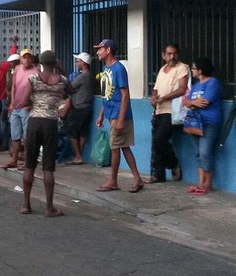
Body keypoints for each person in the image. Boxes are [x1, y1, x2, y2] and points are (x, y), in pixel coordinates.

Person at [19, 50, 70, 217]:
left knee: (29, 165)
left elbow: (24, 101)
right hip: (50, 123)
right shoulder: (62, 80)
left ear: (40, 62)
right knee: (48, 168)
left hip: (34, 122)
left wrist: (36, 101)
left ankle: (26, 204)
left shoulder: (33, 79)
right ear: (55, 63)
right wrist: (61, 70)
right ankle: (49, 208)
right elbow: (72, 90)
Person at [94, 39, 145, 193]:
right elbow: (107, 94)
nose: (98, 52)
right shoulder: (105, 69)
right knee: (123, 147)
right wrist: (102, 114)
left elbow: (124, 95)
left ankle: (113, 181)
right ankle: (137, 178)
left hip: (119, 114)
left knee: (115, 147)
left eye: (100, 49)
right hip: (112, 113)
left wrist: (121, 119)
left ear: (108, 50)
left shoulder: (118, 69)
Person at [147, 44, 189, 183]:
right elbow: (156, 89)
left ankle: (173, 163)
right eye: (169, 54)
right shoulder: (162, 70)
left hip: (172, 110)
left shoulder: (182, 68)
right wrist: (154, 97)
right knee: (156, 142)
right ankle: (158, 174)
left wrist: (164, 98)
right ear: (163, 55)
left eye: (174, 53)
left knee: (160, 139)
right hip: (159, 109)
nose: (172, 57)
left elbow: (182, 89)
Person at [183, 57, 222, 195]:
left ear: (200, 70)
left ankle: (207, 183)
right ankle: (200, 182)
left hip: (209, 122)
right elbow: (186, 102)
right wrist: (193, 102)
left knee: (205, 152)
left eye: (194, 68)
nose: (192, 71)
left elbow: (205, 102)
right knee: (198, 153)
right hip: (195, 122)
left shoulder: (213, 83)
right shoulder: (196, 85)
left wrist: (191, 102)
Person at [5, 49, 37, 170]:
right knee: (15, 135)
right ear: (21, 59)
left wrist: (31, 103)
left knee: (27, 136)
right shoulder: (17, 69)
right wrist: (12, 102)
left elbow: (38, 90)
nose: (27, 60)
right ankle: (14, 159)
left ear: (32, 59)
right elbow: (13, 86)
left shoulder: (36, 71)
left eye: (29, 57)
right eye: (24, 58)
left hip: (27, 108)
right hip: (16, 107)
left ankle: (28, 161)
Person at [64, 52, 94, 165]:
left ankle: (77, 155)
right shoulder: (89, 76)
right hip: (87, 107)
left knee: (71, 131)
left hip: (79, 107)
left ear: (84, 63)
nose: (77, 63)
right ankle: (79, 155)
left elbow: (70, 88)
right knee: (82, 132)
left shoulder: (83, 76)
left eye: (78, 61)